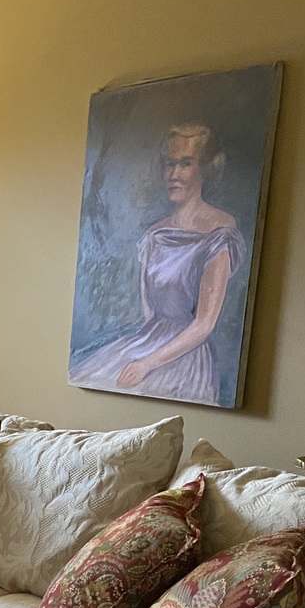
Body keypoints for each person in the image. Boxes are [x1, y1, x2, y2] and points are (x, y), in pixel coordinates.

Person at [69, 122, 247, 405]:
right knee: (92, 376)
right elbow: (149, 313)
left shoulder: (219, 234)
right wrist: (141, 354)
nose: (174, 175)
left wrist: (147, 363)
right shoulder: (154, 234)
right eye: (170, 164)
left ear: (205, 169)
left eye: (186, 164)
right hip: (148, 341)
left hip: (186, 355)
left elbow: (204, 324)